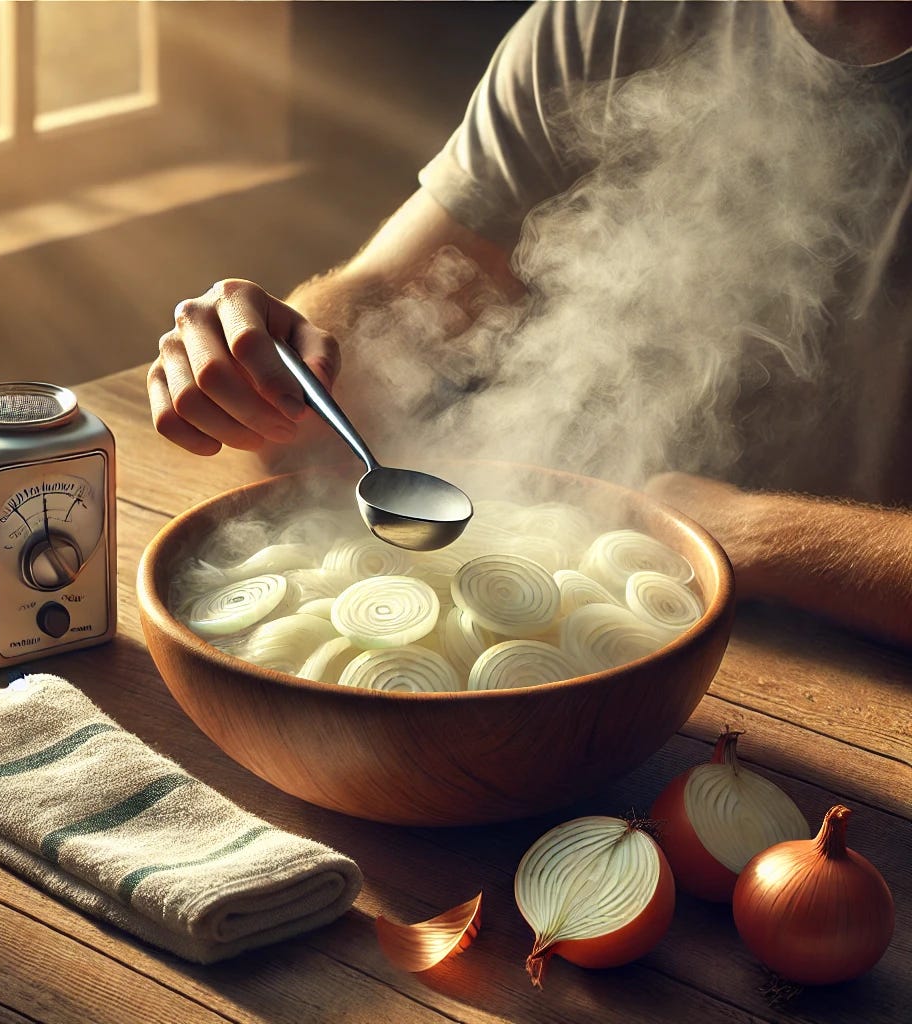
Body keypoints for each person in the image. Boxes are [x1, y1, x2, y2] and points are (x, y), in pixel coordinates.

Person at [147, 0, 912, 650]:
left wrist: (740, 532)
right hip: (606, 617)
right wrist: (271, 355)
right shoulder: (612, 20)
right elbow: (389, 305)